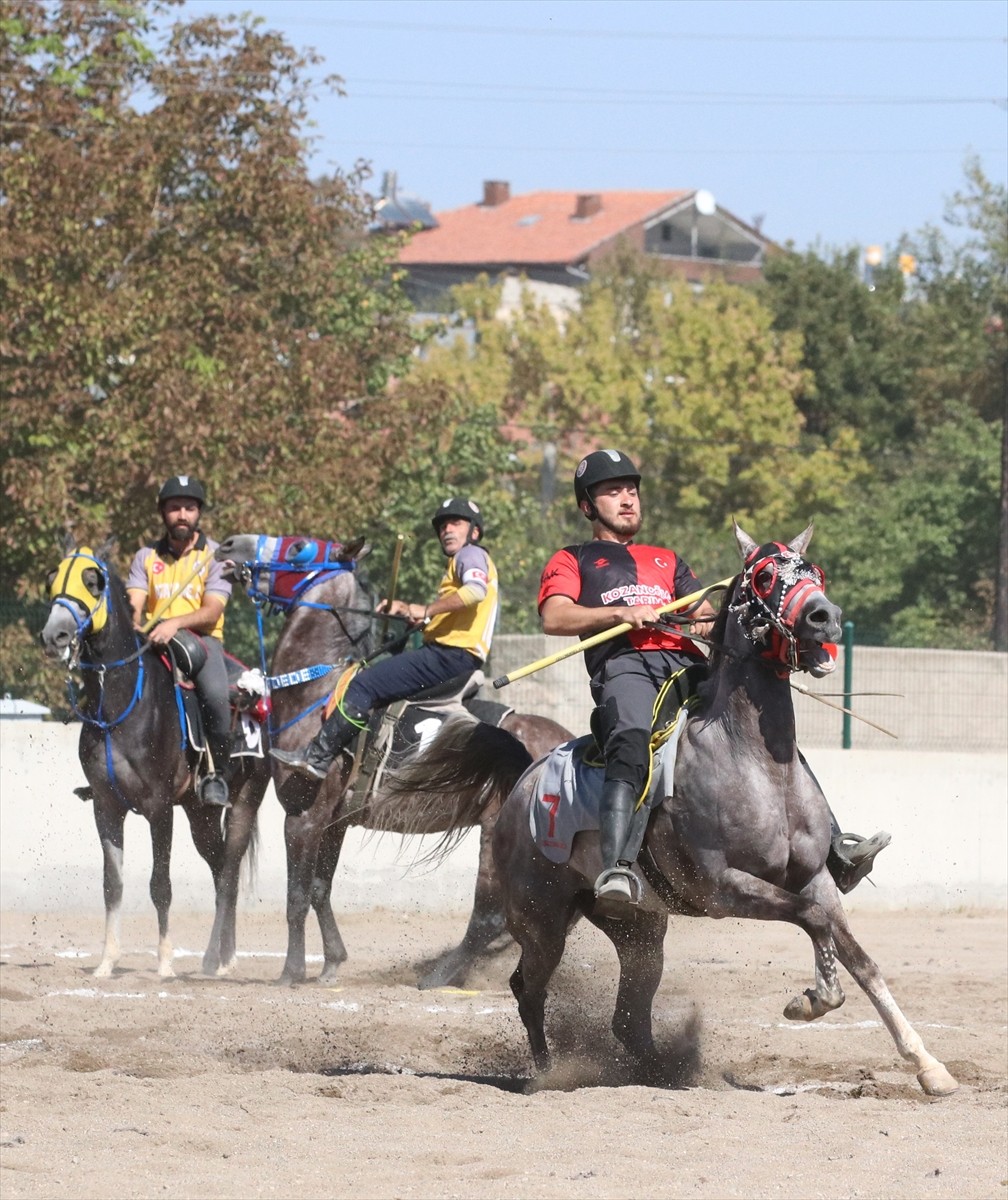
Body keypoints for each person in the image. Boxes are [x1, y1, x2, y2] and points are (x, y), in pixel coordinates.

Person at [538, 448, 889, 919]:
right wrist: (622, 613)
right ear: (587, 506)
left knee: (765, 731)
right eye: (612, 491)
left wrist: (717, 625)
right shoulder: (572, 558)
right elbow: (555, 615)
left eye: (632, 490)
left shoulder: (667, 561)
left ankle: (833, 851)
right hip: (626, 666)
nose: (627, 499)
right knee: (631, 740)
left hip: (687, 664)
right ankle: (618, 866)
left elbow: (702, 617)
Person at [271, 496, 498, 781]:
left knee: (364, 684)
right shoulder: (462, 562)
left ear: (474, 532)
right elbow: (456, 611)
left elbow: (475, 591)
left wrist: (424, 609)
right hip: (454, 654)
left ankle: (316, 757)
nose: (447, 530)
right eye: (442, 526)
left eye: (456, 523)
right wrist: (409, 612)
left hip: (449, 656)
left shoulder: (470, 555)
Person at [126, 475, 235, 808]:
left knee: (216, 697)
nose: (182, 515)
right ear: (163, 513)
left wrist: (174, 623)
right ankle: (106, 770)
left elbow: (212, 610)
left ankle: (217, 775)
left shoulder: (217, 556)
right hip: (154, 642)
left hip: (201, 644)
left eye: (190, 508)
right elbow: (134, 605)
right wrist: (136, 629)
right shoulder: (145, 557)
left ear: (199, 513)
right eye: (175, 508)